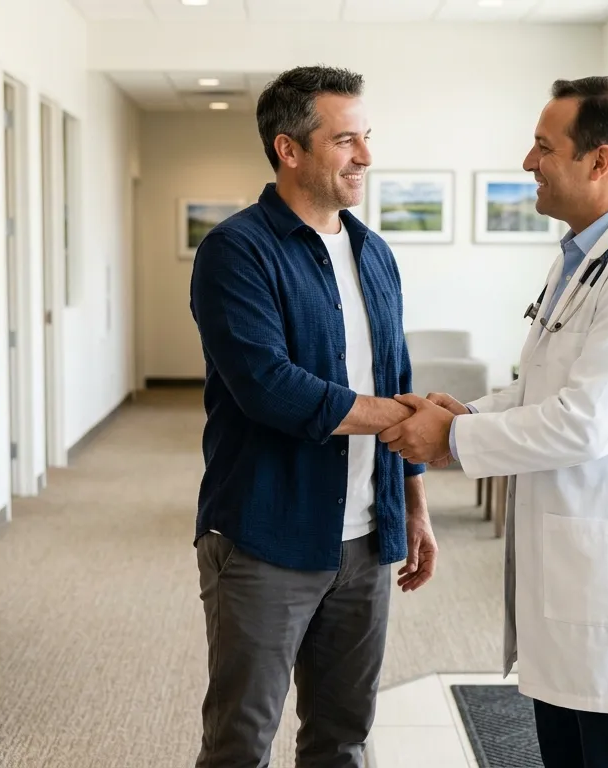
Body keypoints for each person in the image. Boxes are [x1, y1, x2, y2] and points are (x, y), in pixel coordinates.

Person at [379, 76, 608, 767]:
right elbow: (542, 391)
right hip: (573, 564)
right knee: (566, 750)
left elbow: (587, 422)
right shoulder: (583, 257)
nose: (528, 162)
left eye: (542, 146)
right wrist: (466, 412)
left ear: (600, 160)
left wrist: (453, 438)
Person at [187, 65, 439, 768]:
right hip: (268, 534)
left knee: (344, 737)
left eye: (366, 138)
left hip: (364, 540)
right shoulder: (235, 252)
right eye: (346, 140)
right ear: (288, 149)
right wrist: (404, 415)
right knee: (241, 742)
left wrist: (412, 502)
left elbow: (397, 374)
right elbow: (269, 388)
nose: (365, 156)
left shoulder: (374, 253)